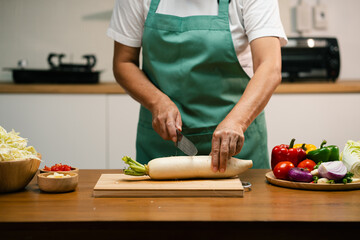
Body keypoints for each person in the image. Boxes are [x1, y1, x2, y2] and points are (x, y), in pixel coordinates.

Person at [107, 0, 287, 171]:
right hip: (162, 146)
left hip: (237, 144)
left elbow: (269, 66)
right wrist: (156, 102)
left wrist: (237, 121)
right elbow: (123, 63)